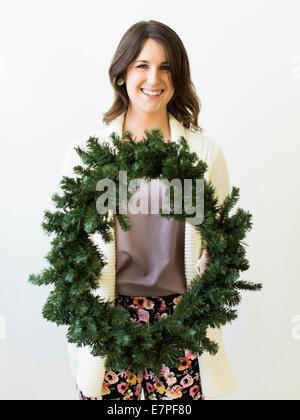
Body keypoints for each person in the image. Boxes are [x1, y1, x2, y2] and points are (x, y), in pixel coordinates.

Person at [61, 20, 236, 400]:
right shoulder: (89, 156)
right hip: (110, 319)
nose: (153, 78)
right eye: (142, 65)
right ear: (122, 74)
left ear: (178, 77)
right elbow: (69, 246)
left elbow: (222, 240)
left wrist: (215, 264)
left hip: (181, 321)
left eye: (165, 67)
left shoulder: (204, 155)